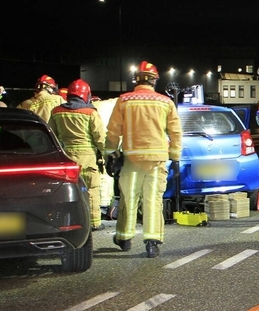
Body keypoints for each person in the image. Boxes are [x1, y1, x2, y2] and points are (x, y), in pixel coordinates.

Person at [105, 61, 182, 258]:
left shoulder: (124, 100)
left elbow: (113, 130)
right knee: (153, 200)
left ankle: (124, 238)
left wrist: (110, 152)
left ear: (136, 80)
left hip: (131, 160)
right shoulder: (166, 102)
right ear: (154, 80)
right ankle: (152, 243)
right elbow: (175, 131)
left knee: (129, 198)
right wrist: (175, 156)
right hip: (157, 161)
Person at [49, 79, 107, 231]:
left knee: (67, 192)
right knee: (91, 190)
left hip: (66, 159)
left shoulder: (56, 112)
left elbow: (52, 136)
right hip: (87, 159)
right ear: (86, 95)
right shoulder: (90, 112)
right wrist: (109, 153)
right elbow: (100, 138)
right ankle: (94, 223)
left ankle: (67, 221)